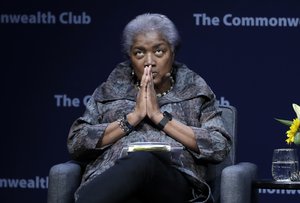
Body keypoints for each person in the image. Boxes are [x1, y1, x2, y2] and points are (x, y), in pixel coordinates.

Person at [67, 13, 232, 203]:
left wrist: (159, 117)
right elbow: (76, 142)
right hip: (115, 181)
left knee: (143, 161)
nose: (149, 61)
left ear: (172, 52)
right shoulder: (108, 92)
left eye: (159, 51)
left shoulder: (196, 91)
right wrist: (132, 118)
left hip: (175, 182)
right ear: (130, 57)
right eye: (139, 52)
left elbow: (219, 146)